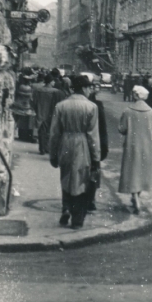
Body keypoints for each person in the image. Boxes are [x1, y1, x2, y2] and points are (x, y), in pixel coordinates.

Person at [49, 75, 101, 229]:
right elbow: (93, 136)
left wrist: (53, 154)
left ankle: (66, 208)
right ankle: (77, 219)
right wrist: (96, 158)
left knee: (66, 177)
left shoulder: (61, 106)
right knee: (81, 181)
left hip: (65, 143)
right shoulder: (91, 107)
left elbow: (54, 133)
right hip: (82, 143)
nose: (90, 90)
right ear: (84, 88)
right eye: (89, 87)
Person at [118, 85, 152, 215]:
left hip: (131, 146)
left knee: (132, 171)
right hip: (146, 147)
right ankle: (137, 197)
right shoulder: (151, 112)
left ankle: (135, 197)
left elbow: (122, 129)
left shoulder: (128, 111)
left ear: (135, 95)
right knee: (142, 172)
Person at [88, 82, 109, 211]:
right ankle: (91, 200)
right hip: (94, 144)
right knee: (94, 171)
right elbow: (103, 130)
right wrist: (104, 147)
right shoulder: (98, 106)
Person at [32, 74, 65, 155]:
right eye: (53, 81)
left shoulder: (38, 90)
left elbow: (34, 102)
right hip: (50, 113)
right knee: (48, 132)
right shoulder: (56, 92)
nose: (54, 82)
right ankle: (46, 148)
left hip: (40, 111)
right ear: (50, 82)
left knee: (41, 131)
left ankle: (41, 148)